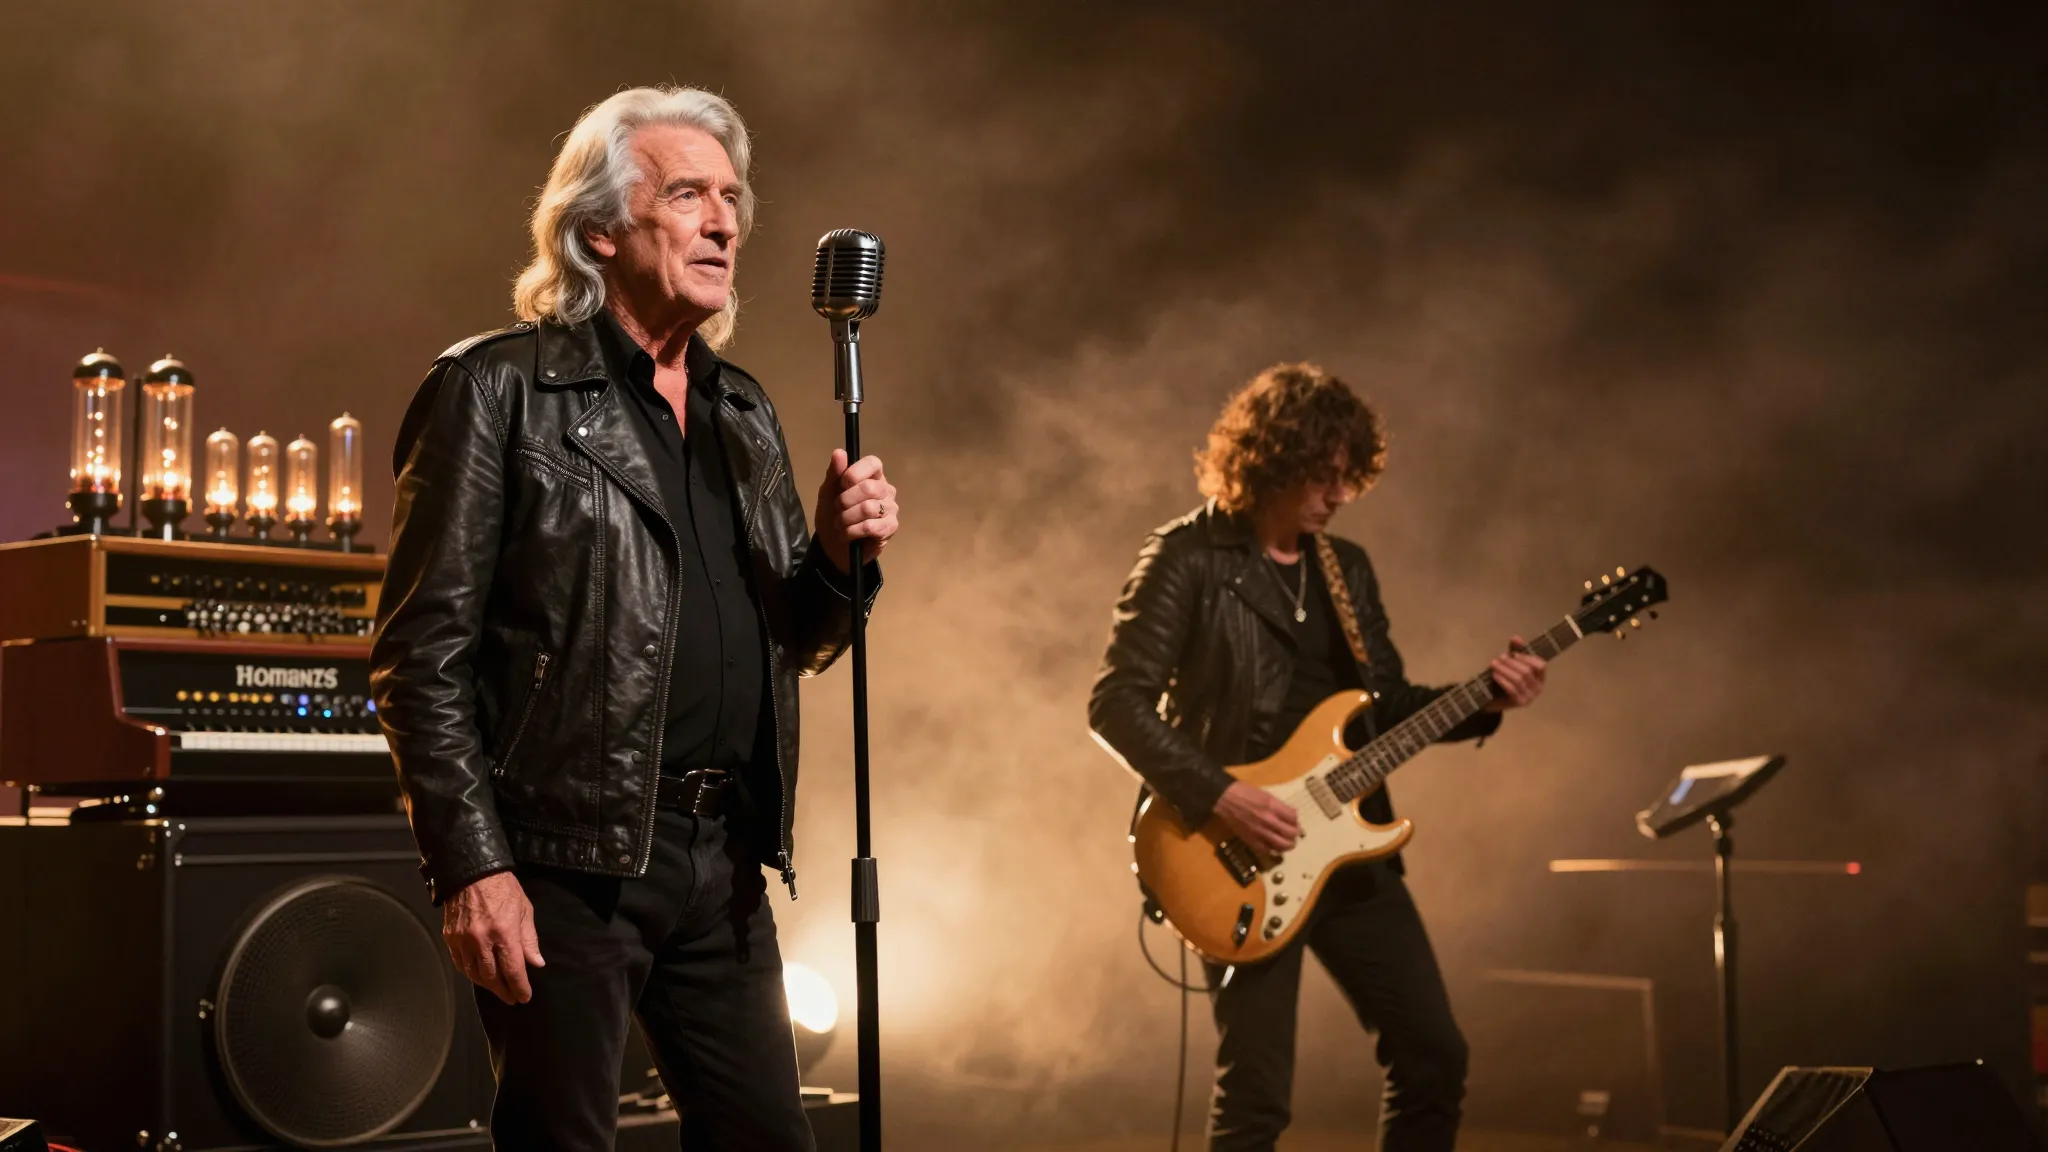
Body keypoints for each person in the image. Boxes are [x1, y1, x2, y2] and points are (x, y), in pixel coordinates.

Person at [370, 86, 899, 1151]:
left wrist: (842, 563)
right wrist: (473, 868)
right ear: (601, 228)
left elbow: (796, 640)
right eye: (689, 194)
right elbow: (419, 660)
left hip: (721, 860)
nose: (724, 223)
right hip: (567, 861)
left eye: (733, 198)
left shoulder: (742, 411)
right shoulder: (498, 391)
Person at [1087, 362, 1546, 1152]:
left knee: (1435, 1058)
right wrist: (1223, 795)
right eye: (1324, 476)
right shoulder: (1186, 558)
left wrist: (1485, 701)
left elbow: (1384, 705)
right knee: (1257, 1100)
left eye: (1348, 477)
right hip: (1237, 854)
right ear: (1273, 460)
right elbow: (1115, 705)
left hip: (1351, 855)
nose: (1339, 495)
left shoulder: (1346, 569)